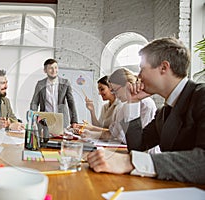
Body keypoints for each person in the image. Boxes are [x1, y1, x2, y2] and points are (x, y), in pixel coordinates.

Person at [87, 37, 205, 184]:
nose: (138, 76)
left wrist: (131, 162)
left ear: (164, 67)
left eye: (142, 68)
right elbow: (137, 146)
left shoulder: (201, 96)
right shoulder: (163, 113)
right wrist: (133, 102)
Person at [30, 58, 78, 128]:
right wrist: (32, 119)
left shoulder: (65, 83)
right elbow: (34, 102)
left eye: (56, 67)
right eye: (50, 68)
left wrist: (74, 121)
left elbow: (71, 103)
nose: (54, 70)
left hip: (61, 121)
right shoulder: (40, 84)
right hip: (45, 121)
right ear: (45, 70)